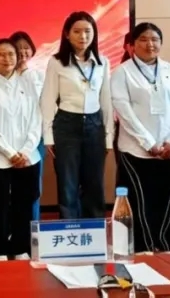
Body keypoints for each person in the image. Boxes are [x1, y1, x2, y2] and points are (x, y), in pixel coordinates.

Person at [111, 22, 170, 252]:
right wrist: (148, 143)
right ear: (132, 45)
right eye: (143, 39)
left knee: (168, 199)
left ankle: (166, 243)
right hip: (136, 150)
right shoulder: (122, 72)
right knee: (139, 200)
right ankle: (143, 246)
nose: (150, 44)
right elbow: (123, 111)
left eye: (155, 39)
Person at [41, 11, 113, 220]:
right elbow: (47, 100)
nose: (83, 36)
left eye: (88, 31)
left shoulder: (102, 62)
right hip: (66, 124)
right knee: (68, 182)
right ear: (67, 34)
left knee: (94, 183)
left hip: (94, 125)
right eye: (77, 31)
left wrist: (108, 137)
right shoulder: (56, 62)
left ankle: (94, 230)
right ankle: (69, 228)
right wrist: (48, 137)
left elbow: (106, 101)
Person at [0, 39, 43, 261]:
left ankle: (20, 247)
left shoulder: (27, 84)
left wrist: (25, 150)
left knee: (24, 203)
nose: (7, 59)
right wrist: (9, 153)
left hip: (27, 156)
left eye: (11, 54)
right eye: (1, 54)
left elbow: (36, 119)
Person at [10, 30, 47, 222]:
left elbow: (45, 106)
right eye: (18, 48)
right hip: (11, 140)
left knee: (33, 187)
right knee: (12, 187)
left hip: (35, 139)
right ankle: (14, 229)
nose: (22, 52)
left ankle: (33, 227)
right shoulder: (6, 77)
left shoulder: (39, 76)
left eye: (26, 48)